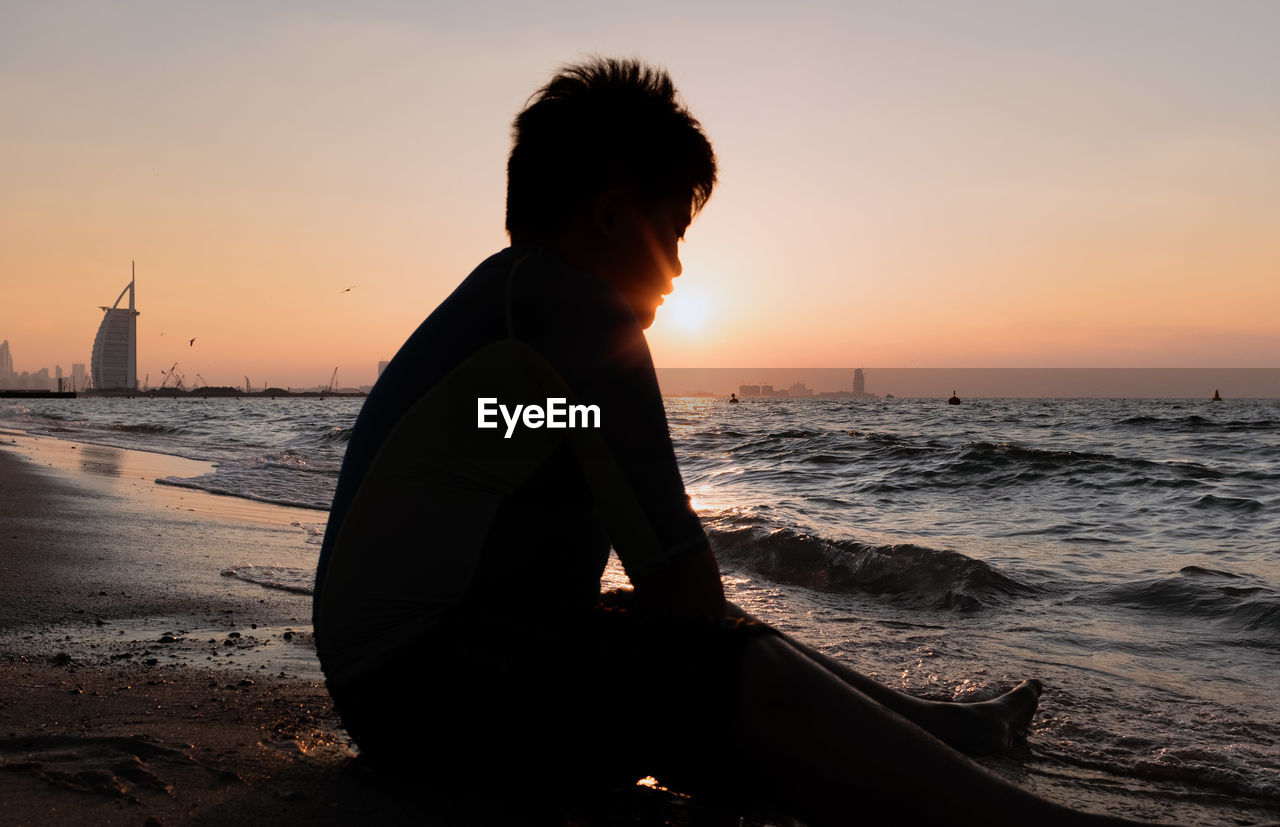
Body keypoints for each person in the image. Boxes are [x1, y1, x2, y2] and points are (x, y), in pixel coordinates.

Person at [314, 58, 1161, 826]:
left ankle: (942, 728)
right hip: (429, 694)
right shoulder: (579, 313)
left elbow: (519, 448)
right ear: (614, 216)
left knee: (710, 636)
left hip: (392, 690)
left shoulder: (508, 306)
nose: (680, 268)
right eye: (674, 231)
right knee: (730, 664)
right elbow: (681, 583)